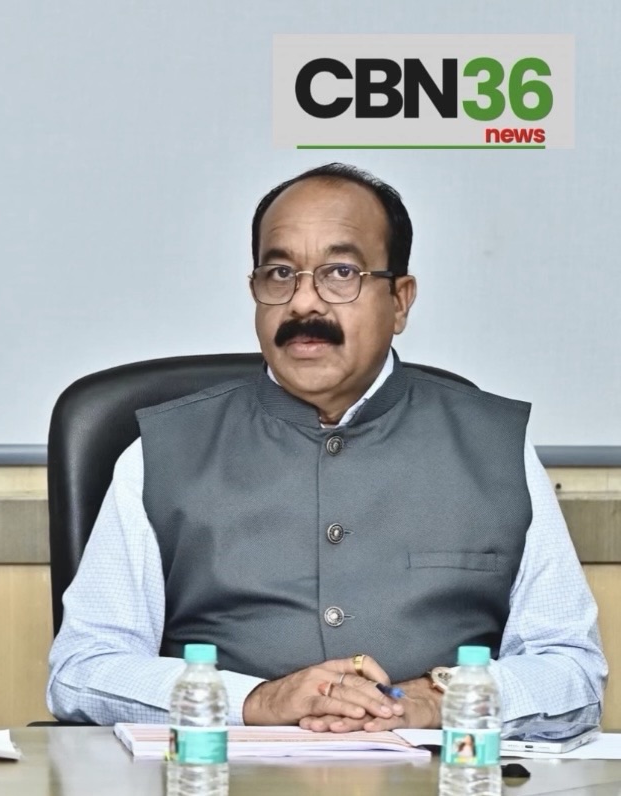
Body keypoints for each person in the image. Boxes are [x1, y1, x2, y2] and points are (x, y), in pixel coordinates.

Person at [46, 162, 606, 734]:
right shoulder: (160, 452)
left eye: (341, 273)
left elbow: (573, 671)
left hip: (435, 771)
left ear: (400, 301)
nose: (303, 304)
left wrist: (440, 699)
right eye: (280, 273)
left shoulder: (495, 447)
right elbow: (82, 669)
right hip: (225, 770)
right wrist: (255, 701)